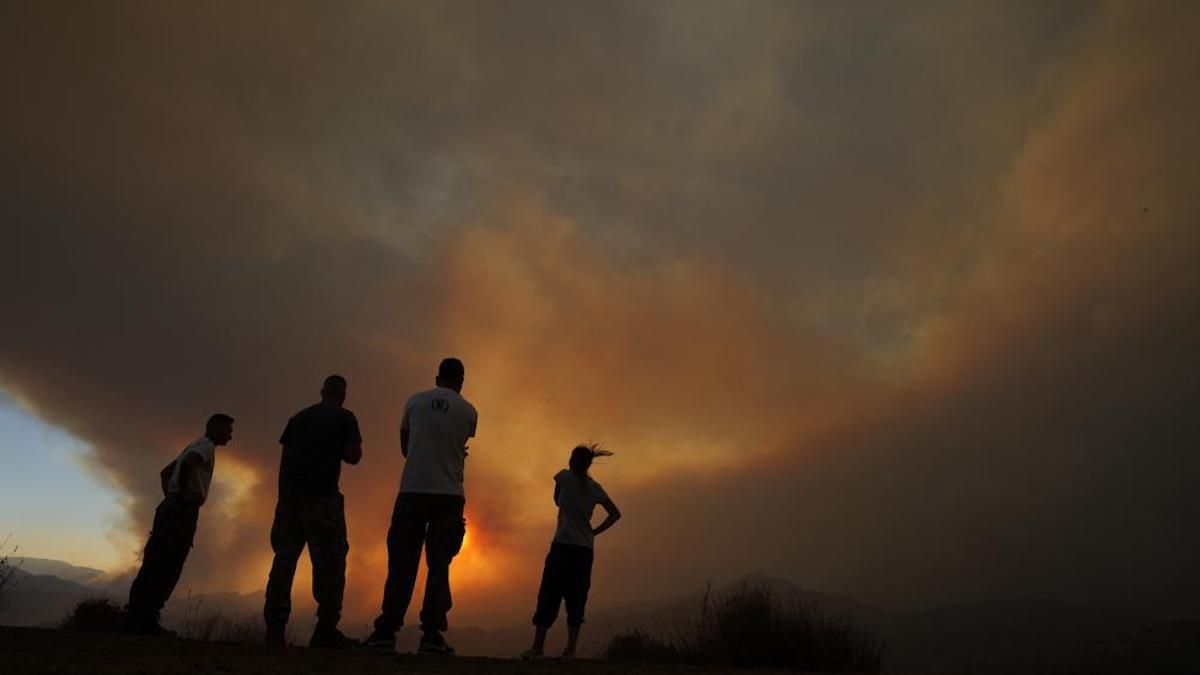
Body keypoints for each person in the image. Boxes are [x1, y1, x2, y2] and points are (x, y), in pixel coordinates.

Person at [364, 358, 477, 655]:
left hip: (413, 489)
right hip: (449, 495)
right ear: (461, 380)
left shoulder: (414, 401)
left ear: (437, 377)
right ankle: (431, 636)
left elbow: (406, 446)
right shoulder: (469, 411)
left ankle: (386, 632)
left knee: (401, 562)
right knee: (439, 565)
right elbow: (457, 445)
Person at [262, 375, 363, 648]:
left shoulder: (298, 418)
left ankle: (275, 629)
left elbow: (284, 463)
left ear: (322, 391)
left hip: (291, 500)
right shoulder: (345, 418)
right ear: (342, 395)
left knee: (284, 560)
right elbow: (354, 456)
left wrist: (281, 503)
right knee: (331, 563)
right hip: (323, 500)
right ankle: (325, 629)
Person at [123, 413, 235, 636]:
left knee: (154, 561)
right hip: (183, 508)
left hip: (169, 507)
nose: (231, 436)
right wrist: (182, 497)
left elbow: (165, 472)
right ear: (216, 428)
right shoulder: (206, 447)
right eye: (228, 431)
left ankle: (134, 618)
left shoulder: (193, 445)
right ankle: (147, 621)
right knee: (170, 563)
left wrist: (170, 497)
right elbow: (189, 465)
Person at [522, 444, 621, 659]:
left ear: (573, 461)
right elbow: (615, 514)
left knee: (549, 594)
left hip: (562, 546)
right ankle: (570, 650)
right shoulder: (595, 488)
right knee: (577, 597)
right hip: (584, 550)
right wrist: (594, 532)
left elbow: (557, 501)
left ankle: (538, 648)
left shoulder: (563, 477)